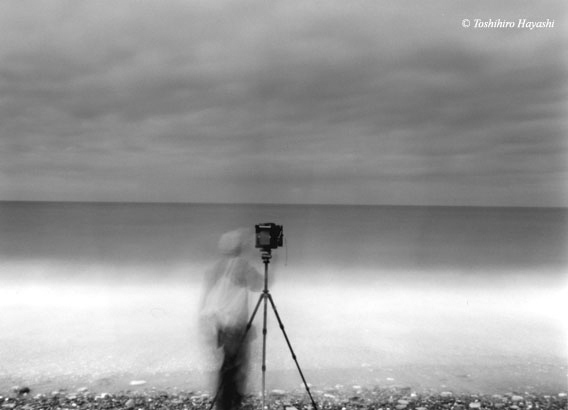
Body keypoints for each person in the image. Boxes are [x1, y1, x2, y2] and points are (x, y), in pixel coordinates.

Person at [199, 228, 264, 410]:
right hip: (235, 326)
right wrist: (270, 267)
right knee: (237, 370)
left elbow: (208, 296)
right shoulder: (241, 265)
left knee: (226, 368)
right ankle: (229, 405)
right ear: (239, 248)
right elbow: (258, 284)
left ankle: (224, 404)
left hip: (219, 324)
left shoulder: (217, 267)